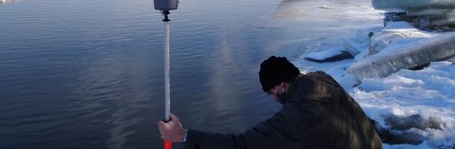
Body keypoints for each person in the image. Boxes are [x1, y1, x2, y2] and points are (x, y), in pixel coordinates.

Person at [158, 56, 382, 148]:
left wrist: (183, 136)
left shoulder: (300, 113)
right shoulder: (323, 80)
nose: (275, 99)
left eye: (271, 93)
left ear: (281, 85)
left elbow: (243, 144)